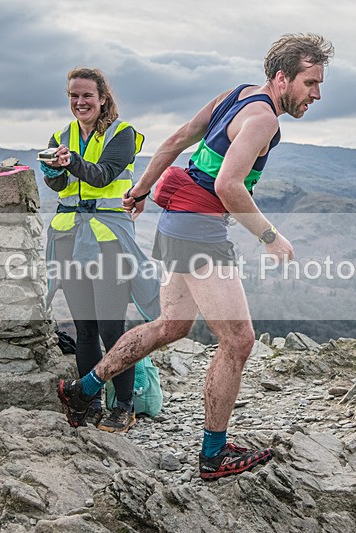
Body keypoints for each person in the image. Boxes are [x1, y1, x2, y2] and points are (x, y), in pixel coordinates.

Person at [58, 34, 334, 479]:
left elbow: (178, 139)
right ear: (282, 78)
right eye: (311, 82)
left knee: (172, 325)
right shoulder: (263, 117)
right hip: (200, 235)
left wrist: (141, 188)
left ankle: (82, 389)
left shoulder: (236, 95)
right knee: (239, 342)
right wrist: (270, 236)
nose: (316, 94)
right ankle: (213, 454)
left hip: (176, 225)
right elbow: (228, 185)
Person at [43, 67, 159, 432]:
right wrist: (52, 170)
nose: (80, 102)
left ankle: (123, 405)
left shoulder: (123, 134)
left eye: (87, 96)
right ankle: (89, 402)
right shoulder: (61, 135)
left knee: (112, 327)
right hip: (68, 236)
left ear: (103, 97)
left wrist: (70, 162)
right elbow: (60, 183)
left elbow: (104, 175)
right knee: (86, 329)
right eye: (74, 96)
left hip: (108, 239)